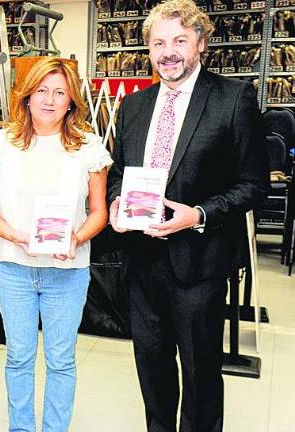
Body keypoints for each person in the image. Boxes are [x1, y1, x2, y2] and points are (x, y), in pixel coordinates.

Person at [106, 1, 270, 431]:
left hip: (199, 263)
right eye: (159, 42)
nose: (169, 51)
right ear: (148, 49)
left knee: (200, 376)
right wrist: (115, 204)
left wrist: (197, 214)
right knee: (152, 372)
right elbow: (119, 173)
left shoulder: (234, 98)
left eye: (180, 40)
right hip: (142, 262)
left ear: (201, 42)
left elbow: (255, 184)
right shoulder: (133, 107)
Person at [0, 57, 111, 432]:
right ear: (27, 96)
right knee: (18, 357)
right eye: (42, 91)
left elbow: (99, 212)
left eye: (59, 92)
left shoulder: (89, 148)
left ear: (71, 101)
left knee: (61, 360)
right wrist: (14, 234)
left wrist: (78, 237)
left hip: (67, 273)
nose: (49, 100)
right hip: (13, 268)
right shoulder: (0, 145)